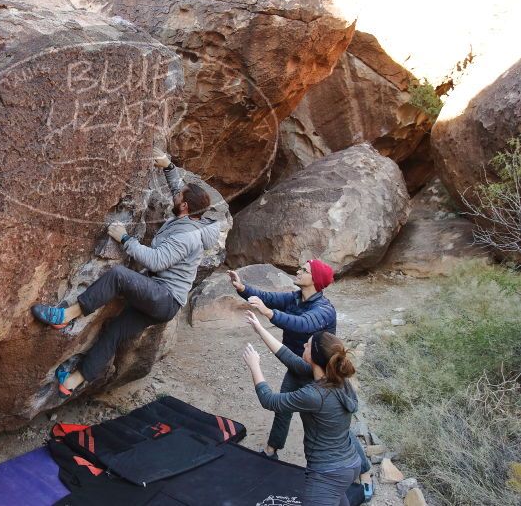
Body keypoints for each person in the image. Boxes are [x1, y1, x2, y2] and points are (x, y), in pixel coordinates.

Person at [32, 152, 219, 398]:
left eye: (180, 196)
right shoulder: (190, 217)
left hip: (164, 297)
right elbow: (178, 190)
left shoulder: (188, 236)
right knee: (114, 331)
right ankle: (71, 383)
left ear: (184, 206)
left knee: (118, 275)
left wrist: (124, 238)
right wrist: (168, 166)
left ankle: (64, 316)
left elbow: (157, 260)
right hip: (163, 299)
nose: (176, 194)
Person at [243, 311, 361, 506]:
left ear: (314, 357)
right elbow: (289, 357)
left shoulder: (314, 395)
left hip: (327, 474)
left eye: (307, 344)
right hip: (349, 464)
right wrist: (260, 329)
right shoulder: (336, 379)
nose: (304, 345)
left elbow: (269, 400)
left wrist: (255, 366)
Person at [228, 259, 337, 461]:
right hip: (296, 365)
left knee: (330, 424)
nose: (298, 270)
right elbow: (268, 297)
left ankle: (363, 468)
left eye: (304, 270)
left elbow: (302, 324)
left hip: (318, 374)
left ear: (315, 280)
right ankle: (271, 450)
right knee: (282, 408)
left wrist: (268, 313)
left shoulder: (324, 310)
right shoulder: (296, 298)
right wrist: (243, 288)